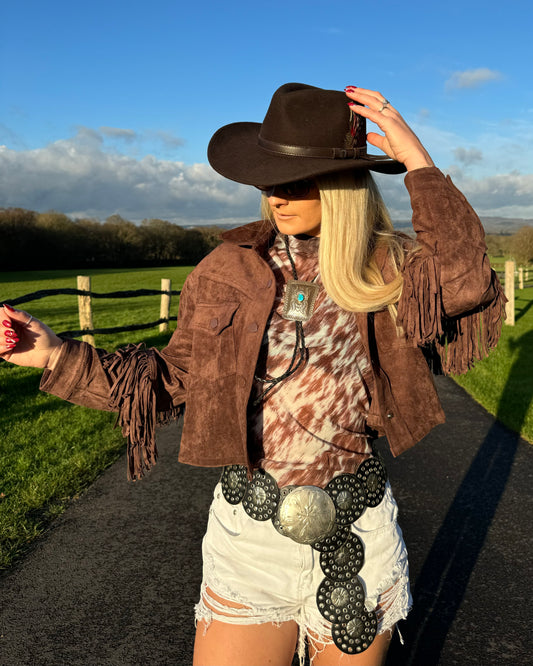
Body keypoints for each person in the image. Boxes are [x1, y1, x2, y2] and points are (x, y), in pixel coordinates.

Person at [0, 83, 505, 666]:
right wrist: (54, 355)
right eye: (268, 181)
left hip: (358, 531)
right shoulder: (229, 269)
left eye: (295, 181)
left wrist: (416, 161)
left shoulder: (388, 265)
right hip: (250, 539)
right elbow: (169, 376)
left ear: (342, 185)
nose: (276, 197)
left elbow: (467, 281)